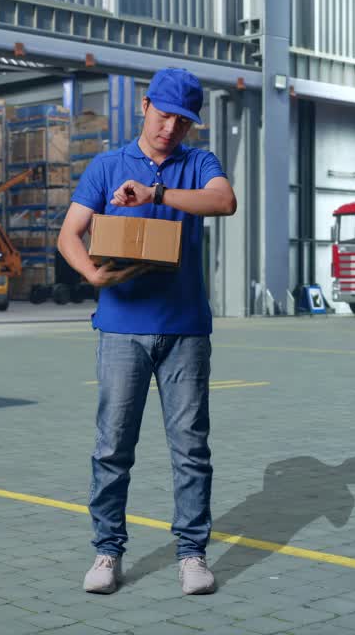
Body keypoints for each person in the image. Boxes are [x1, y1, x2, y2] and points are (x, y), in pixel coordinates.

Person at [57, 67, 238, 596]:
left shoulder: (199, 163)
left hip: (184, 329)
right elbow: (70, 233)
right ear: (144, 106)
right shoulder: (107, 165)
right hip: (121, 329)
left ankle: (192, 555)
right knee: (112, 445)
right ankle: (107, 552)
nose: (170, 130)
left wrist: (157, 194)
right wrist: (90, 272)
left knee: (190, 447)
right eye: (164, 117)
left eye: (183, 122)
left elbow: (224, 201)